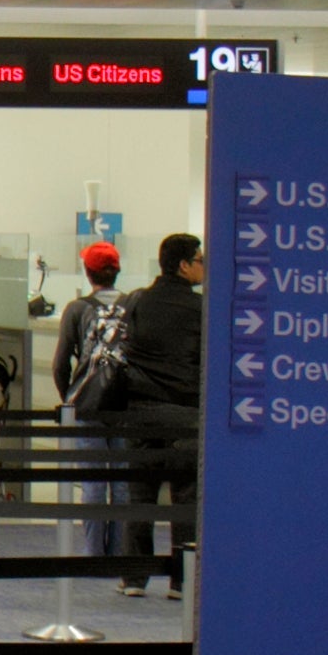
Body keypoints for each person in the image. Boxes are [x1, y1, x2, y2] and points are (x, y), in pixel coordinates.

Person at [111, 233, 207, 598]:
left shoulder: (137, 301)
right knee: (185, 500)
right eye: (199, 259)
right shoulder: (201, 309)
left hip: (140, 411)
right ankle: (181, 580)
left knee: (140, 496)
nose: (202, 266)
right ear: (183, 265)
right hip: (185, 413)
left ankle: (134, 578)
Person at [52, 242, 129, 564]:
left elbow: (60, 363)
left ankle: (93, 553)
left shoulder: (77, 309)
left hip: (88, 402)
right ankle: (122, 554)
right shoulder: (133, 304)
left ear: (88, 272)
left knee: (93, 481)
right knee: (124, 482)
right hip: (126, 403)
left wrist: (68, 398)